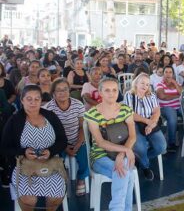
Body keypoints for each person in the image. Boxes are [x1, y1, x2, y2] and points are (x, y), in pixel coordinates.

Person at [1, 85, 67, 210]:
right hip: (24, 166)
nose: (33, 102)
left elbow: (63, 140)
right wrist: (23, 152)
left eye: (37, 99)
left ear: (41, 100)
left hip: (51, 164)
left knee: (56, 196)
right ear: (22, 100)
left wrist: (50, 151)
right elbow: (4, 148)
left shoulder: (50, 116)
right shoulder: (14, 120)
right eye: (29, 99)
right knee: (28, 199)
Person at [84, 78, 136, 211]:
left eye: (114, 90)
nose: (111, 93)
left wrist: (121, 154)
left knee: (123, 170)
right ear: (100, 92)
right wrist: (124, 151)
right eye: (107, 90)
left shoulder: (125, 110)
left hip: (123, 153)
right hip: (100, 156)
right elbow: (100, 142)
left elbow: (132, 136)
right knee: (125, 173)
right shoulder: (92, 114)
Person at [44, 78, 89, 196]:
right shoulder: (49, 108)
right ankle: (62, 181)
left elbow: (82, 127)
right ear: (53, 93)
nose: (62, 92)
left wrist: (78, 144)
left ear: (69, 91)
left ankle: (81, 178)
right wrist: (64, 147)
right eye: (58, 90)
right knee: (56, 160)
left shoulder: (78, 105)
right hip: (57, 141)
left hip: (76, 139)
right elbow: (50, 132)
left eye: (65, 89)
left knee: (85, 158)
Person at [123, 73, 166, 180]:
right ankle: (145, 166)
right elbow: (130, 114)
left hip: (150, 122)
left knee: (161, 147)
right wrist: (147, 121)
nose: (145, 86)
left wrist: (151, 124)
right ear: (136, 83)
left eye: (147, 84)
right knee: (140, 147)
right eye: (142, 83)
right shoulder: (129, 95)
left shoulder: (151, 95)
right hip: (134, 123)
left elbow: (156, 111)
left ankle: (140, 160)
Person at [156, 66, 183, 152]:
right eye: (166, 72)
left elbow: (182, 93)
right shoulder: (160, 84)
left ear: (173, 74)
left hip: (178, 106)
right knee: (172, 119)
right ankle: (171, 143)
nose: (168, 74)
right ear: (163, 74)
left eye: (170, 72)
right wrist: (177, 96)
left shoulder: (176, 83)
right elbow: (162, 96)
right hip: (165, 107)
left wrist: (175, 83)